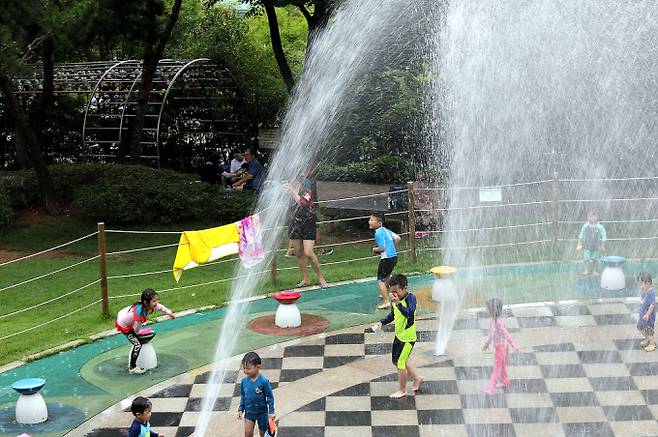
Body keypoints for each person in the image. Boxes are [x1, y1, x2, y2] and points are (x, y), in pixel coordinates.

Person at [374, 274, 423, 399]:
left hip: (408, 338)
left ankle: (402, 390)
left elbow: (409, 313)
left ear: (404, 288)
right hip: (399, 336)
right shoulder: (396, 299)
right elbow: (393, 314)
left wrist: (398, 303)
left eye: (396, 291)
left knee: (401, 363)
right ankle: (417, 378)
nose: (393, 294)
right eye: (392, 291)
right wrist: (382, 322)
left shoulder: (411, 298)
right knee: (397, 361)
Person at [115, 288, 175, 374]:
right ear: (146, 302)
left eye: (156, 300)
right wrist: (138, 334)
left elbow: (160, 307)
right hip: (123, 324)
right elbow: (136, 329)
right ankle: (132, 367)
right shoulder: (140, 313)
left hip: (124, 315)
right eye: (154, 301)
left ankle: (133, 364)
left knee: (137, 339)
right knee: (137, 344)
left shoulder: (149, 305)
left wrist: (169, 313)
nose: (156, 303)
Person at [285, 179, 329, 288]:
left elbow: (303, 204)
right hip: (294, 223)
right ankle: (305, 279)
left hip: (308, 223)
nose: (290, 183)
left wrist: (292, 191)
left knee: (308, 252)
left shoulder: (305, 191)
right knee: (299, 252)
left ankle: (321, 278)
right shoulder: (286, 193)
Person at [482, 297, 519, 394]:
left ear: (492, 311)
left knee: (496, 369)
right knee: (501, 367)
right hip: (501, 347)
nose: (485, 310)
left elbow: (506, 334)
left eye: (487, 309)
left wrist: (514, 345)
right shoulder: (493, 322)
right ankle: (505, 382)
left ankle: (491, 389)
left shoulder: (498, 323)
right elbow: (491, 335)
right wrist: (486, 344)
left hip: (501, 349)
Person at [238, 352, 276, 437]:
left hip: (262, 413)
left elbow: (270, 397)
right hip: (249, 412)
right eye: (244, 368)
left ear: (258, 366)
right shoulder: (244, 381)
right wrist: (241, 409)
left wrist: (272, 412)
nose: (245, 371)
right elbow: (243, 396)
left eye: (248, 368)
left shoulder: (264, 381)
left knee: (263, 433)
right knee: (247, 433)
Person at [369, 212, 401, 309]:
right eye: (370, 220)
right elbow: (398, 238)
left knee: (380, 280)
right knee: (387, 276)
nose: (369, 222)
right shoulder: (386, 230)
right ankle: (386, 294)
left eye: (372, 220)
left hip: (386, 259)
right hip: (394, 257)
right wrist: (393, 248)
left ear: (379, 222)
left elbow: (382, 248)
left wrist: (374, 249)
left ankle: (386, 301)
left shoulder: (378, 233)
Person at [577, 211, 607, 276]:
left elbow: (604, 235)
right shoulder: (586, 226)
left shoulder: (599, 226)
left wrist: (603, 245)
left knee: (595, 259)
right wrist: (579, 242)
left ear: (597, 218)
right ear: (587, 218)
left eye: (593, 217)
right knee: (585, 258)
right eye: (589, 217)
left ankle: (594, 271)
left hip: (596, 246)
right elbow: (581, 234)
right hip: (587, 246)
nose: (591, 218)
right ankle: (586, 270)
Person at [637, 272, 656, 352]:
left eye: (641, 284)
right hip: (643, 316)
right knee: (640, 327)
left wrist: (648, 314)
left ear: (647, 283)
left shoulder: (651, 293)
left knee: (649, 330)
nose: (640, 286)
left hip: (648, 317)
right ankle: (647, 339)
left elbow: (652, 304)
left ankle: (652, 344)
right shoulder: (645, 292)